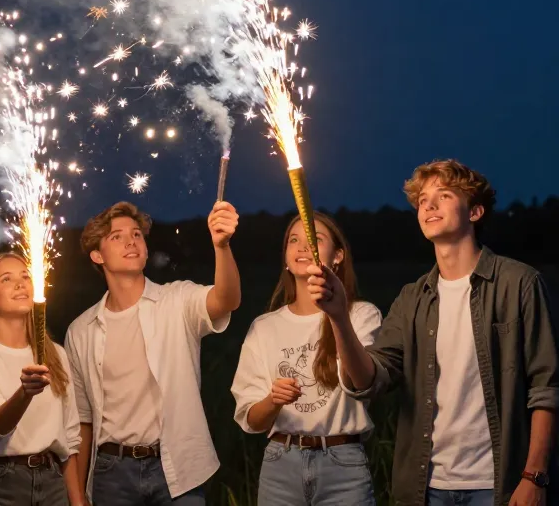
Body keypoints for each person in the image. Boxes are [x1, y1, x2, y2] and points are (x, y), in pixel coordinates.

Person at [309, 159, 559, 506]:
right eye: (423, 199)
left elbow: (546, 389)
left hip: (500, 485)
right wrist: (338, 317)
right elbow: (369, 380)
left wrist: (535, 476)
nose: (428, 204)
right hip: (427, 488)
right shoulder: (412, 298)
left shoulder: (519, 284)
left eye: (443, 195)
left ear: (474, 212)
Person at [65, 199, 242, 506]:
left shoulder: (176, 301)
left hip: (177, 467)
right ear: (97, 254)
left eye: (136, 235)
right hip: (111, 473)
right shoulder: (81, 330)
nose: (130, 242)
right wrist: (78, 498)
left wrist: (222, 246)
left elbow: (226, 300)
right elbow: (82, 421)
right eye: (116, 237)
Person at [231, 212, 382, 505]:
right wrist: (273, 400)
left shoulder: (361, 315)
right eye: (293, 240)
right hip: (280, 464)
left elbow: (362, 382)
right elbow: (252, 419)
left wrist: (337, 315)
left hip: (343, 465)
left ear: (337, 256)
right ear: (286, 259)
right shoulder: (264, 328)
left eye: (314, 240)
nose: (301, 247)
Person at [0, 251, 84, 506]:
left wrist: (77, 501)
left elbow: (69, 436)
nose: (20, 283)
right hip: (0, 486)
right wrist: (25, 393)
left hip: (52, 483)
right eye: (6, 279)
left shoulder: (55, 354)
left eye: (25, 276)